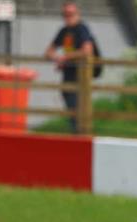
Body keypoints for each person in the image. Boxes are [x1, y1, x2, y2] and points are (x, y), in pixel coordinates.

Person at [44, 2, 95, 133]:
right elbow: (48, 52)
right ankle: (76, 133)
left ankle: (80, 133)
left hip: (81, 75)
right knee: (70, 103)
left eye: (71, 14)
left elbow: (87, 50)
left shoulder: (81, 28)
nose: (68, 17)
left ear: (77, 14)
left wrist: (65, 57)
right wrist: (58, 58)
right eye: (65, 14)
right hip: (68, 74)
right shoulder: (64, 31)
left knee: (77, 106)